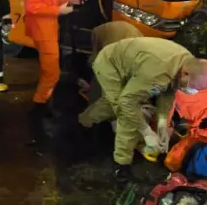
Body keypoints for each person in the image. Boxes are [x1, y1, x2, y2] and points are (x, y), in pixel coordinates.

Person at [78, 37, 198, 180]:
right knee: (124, 113)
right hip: (110, 66)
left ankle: (84, 121)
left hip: (134, 67)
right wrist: (147, 132)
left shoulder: (188, 64)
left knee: (116, 103)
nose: (189, 90)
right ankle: (121, 165)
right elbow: (127, 104)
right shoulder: (158, 72)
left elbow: (167, 95)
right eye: (189, 86)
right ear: (185, 74)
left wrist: (162, 127)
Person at [24, 0, 84, 111]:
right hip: (43, 32)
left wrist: (71, 0)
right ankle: (40, 104)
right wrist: (58, 11)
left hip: (48, 30)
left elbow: (51, 0)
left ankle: (42, 99)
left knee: (47, 70)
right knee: (53, 74)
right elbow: (32, 7)